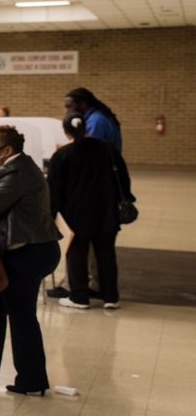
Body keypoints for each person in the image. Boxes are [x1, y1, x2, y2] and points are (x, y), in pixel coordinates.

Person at [0, 125, 61, 395]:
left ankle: (32, 382)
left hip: (28, 253)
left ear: (7, 150)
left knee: (21, 317)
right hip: (26, 249)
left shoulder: (15, 171)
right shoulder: (21, 167)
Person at [51, 113, 132, 310]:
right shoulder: (107, 149)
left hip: (75, 214)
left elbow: (54, 188)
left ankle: (79, 297)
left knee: (77, 254)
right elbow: (123, 177)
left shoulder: (63, 154)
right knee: (106, 255)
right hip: (107, 212)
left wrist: (52, 214)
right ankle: (111, 297)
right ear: (86, 127)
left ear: (65, 131)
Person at [64, 88, 122, 152]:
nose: (67, 111)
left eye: (69, 107)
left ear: (82, 105)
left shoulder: (95, 122)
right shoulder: (97, 117)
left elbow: (88, 150)